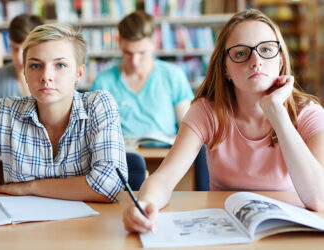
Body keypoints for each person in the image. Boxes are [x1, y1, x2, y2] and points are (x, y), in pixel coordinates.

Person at [122, 9, 324, 233]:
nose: (256, 61)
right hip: (225, 230)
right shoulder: (206, 111)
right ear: (225, 68)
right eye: (240, 53)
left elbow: (318, 199)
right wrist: (146, 202)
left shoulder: (310, 114)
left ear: (280, 61)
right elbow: (165, 178)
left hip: (286, 232)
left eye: (266, 49)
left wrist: (277, 111)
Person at [0, 23, 127, 202]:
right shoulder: (5, 112)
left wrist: (31, 187)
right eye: (35, 66)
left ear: (79, 73)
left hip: (86, 227)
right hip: (22, 227)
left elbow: (109, 186)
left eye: (60, 65)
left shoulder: (99, 105)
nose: (46, 76)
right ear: (24, 72)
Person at [90, 10, 194, 137]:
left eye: (142, 52)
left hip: (165, 154)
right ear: (119, 43)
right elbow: (94, 134)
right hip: (121, 156)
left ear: (154, 44)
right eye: (128, 52)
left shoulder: (173, 75)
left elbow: (188, 129)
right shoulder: (103, 81)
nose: (135, 61)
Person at [0, 14, 44, 125]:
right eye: (15, 49)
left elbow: (39, 118)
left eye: (25, 49)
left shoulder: (50, 78)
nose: (19, 57)